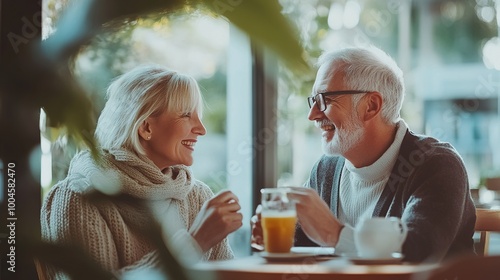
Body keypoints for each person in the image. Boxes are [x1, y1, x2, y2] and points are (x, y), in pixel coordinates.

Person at [251, 45, 476, 263]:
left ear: (371, 105)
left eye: (325, 99)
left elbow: (417, 255)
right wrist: (280, 238)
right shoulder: (326, 169)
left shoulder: (436, 165)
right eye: (313, 101)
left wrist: (335, 234)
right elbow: (306, 247)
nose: (313, 114)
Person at [41, 65, 243, 278]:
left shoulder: (197, 196)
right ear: (146, 128)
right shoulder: (78, 197)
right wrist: (193, 243)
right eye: (186, 115)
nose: (202, 129)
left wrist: (267, 253)